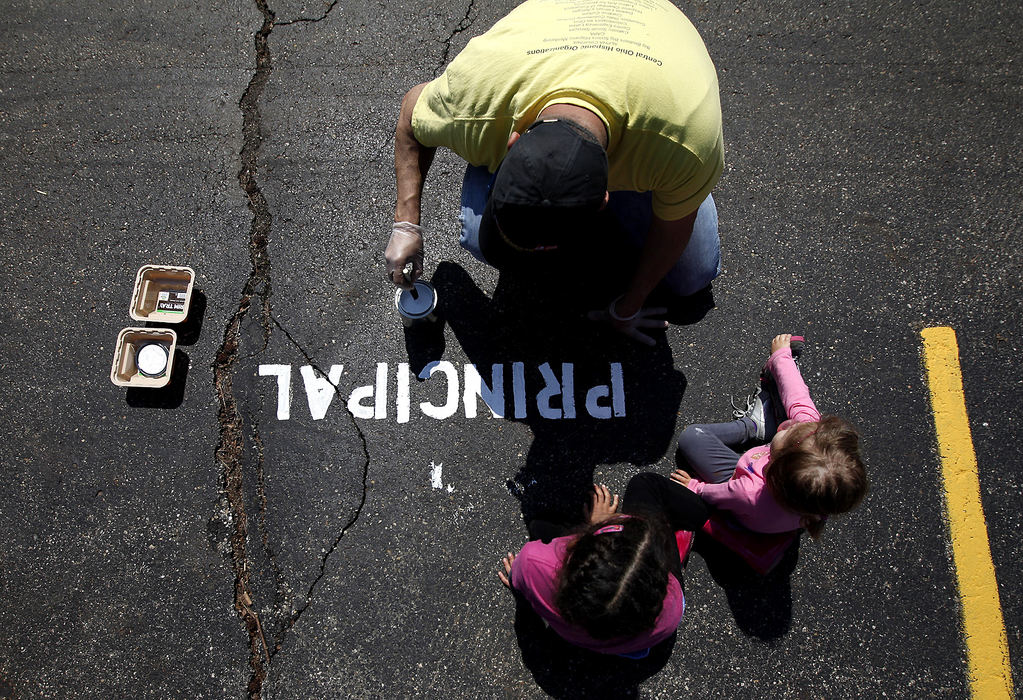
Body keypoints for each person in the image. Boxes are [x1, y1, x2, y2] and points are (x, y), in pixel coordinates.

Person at [387, 0, 724, 345]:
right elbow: (412, 113)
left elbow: (673, 230)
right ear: (512, 142)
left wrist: (628, 305)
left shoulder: (683, 144)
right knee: (477, 237)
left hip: (653, 32)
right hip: (555, 26)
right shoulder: (476, 103)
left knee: (691, 275)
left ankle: (670, 195)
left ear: (605, 199)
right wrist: (406, 223)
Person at [671, 334, 868, 538]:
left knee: (692, 437)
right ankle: (768, 403)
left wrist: (695, 487)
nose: (786, 426)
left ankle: (753, 427)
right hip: (776, 495)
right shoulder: (812, 441)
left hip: (746, 483)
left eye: (786, 431)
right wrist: (781, 357)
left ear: (773, 468)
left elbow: (721, 493)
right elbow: (796, 395)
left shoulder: (750, 491)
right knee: (792, 404)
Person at [498, 477, 709, 657]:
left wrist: (520, 583)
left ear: (579, 547)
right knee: (645, 485)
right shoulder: (670, 612)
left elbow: (522, 576)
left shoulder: (533, 564)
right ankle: (707, 518)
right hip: (646, 635)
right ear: (659, 578)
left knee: (539, 526)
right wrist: (602, 525)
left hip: (584, 637)